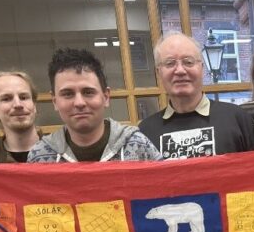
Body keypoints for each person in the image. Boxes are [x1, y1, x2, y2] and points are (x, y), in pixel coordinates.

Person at [28, 48, 160, 163]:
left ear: (106, 97)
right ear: (55, 101)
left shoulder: (138, 146)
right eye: (68, 94)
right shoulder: (38, 156)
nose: (79, 103)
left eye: (88, 92)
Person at [139, 33, 254, 158]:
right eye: (170, 63)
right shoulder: (144, 133)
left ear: (202, 68)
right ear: (159, 72)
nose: (180, 70)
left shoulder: (237, 119)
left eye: (188, 62)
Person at [0, 71, 41, 163]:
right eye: (6, 99)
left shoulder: (63, 154)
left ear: (34, 105)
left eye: (23, 97)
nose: (18, 104)